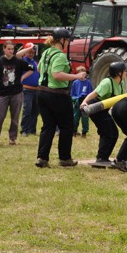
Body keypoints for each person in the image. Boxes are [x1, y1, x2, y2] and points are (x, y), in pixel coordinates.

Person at [35, 29, 87, 168]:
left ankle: (42, 158)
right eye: (67, 39)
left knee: (48, 126)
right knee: (66, 126)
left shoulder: (46, 52)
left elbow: (39, 70)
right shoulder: (60, 56)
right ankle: (64, 158)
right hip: (57, 94)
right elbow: (57, 74)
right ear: (61, 40)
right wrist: (77, 77)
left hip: (41, 92)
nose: (68, 42)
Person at [0, 40, 34, 145]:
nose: (10, 51)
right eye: (8, 49)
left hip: (17, 92)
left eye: (12, 49)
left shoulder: (18, 61)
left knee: (15, 117)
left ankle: (12, 138)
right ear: (4, 49)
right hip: (3, 93)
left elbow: (32, 69)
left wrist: (23, 77)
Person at [80, 62, 125, 163]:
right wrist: (84, 102)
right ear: (119, 73)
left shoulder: (121, 83)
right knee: (107, 132)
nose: (125, 73)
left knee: (114, 133)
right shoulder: (107, 82)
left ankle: (104, 157)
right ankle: (101, 157)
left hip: (104, 110)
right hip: (95, 107)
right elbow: (93, 94)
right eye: (124, 71)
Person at [16, 43, 40, 137]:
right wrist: (29, 47)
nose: (31, 54)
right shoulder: (22, 61)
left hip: (36, 90)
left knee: (35, 111)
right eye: (29, 52)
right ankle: (24, 130)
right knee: (27, 110)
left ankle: (32, 130)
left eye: (33, 52)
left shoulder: (34, 62)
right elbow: (17, 54)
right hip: (27, 89)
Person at [71, 66, 93, 137]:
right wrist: (76, 98)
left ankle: (84, 133)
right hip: (77, 102)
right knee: (75, 117)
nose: (82, 75)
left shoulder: (88, 83)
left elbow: (91, 93)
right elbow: (72, 95)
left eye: (84, 74)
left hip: (85, 103)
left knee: (85, 118)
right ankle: (74, 131)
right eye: (80, 74)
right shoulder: (75, 83)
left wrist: (87, 100)